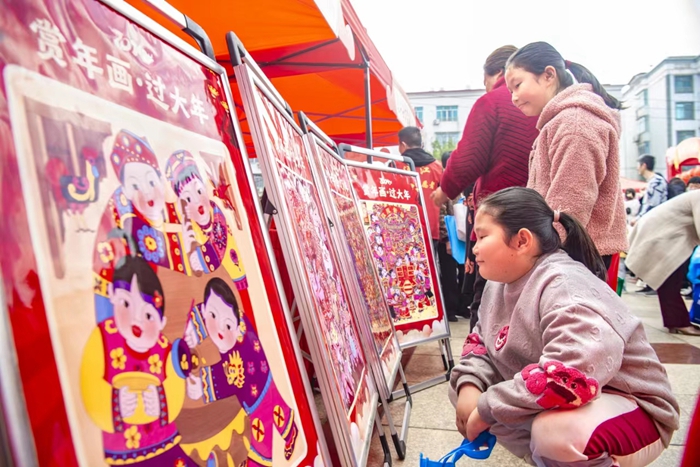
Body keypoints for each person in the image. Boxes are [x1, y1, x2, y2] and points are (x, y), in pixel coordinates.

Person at [450, 187, 679, 467]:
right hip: (577, 403)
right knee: (468, 393)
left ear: (522, 240)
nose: (474, 247)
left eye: (483, 236)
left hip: (635, 410)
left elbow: (570, 375)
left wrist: (488, 409)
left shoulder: (565, 284)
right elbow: (481, 342)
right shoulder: (497, 284)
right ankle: (548, 461)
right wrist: (470, 384)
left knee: (554, 433)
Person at [430, 45, 539, 330]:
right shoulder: (544, 103)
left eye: (486, 81)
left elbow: (468, 158)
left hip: (502, 218)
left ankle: (480, 355)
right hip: (538, 223)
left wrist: (444, 190)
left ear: (501, 73)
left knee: (489, 303)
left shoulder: (495, 101)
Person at [505, 42, 627, 290]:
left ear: (548, 75)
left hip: (576, 254)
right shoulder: (562, 121)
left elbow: (572, 204)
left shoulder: (575, 123)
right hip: (569, 252)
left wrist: (542, 252)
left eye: (517, 85)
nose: (513, 97)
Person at [80, 256, 196, 466]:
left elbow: (175, 383)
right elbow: (90, 383)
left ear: (161, 322)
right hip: (124, 450)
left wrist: (161, 400)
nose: (136, 321)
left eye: (148, 315)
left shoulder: (163, 345)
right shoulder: (103, 337)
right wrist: (116, 402)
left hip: (164, 441)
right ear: (113, 297)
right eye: (126, 303)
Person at [626, 190, 700, 336]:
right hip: (660, 235)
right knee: (670, 280)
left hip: (662, 234)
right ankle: (679, 323)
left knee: (668, 281)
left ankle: (677, 322)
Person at [398, 126, 443, 244]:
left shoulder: (395, 165)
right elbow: (444, 201)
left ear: (403, 144)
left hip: (402, 227)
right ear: (421, 144)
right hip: (431, 228)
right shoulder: (437, 167)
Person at [437, 151, 460, 322]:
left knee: (459, 272)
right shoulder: (443, 183)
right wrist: (446, 238)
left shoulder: (457, 182)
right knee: (449, 273)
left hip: (458, 234)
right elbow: (441, 212)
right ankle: (450, 309)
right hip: (448, 235)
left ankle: (458, 306)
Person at [636, 154, 668, 219]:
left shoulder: (656, 182)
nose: (637, 168)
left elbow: (653, 205)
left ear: (644, 166)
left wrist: (638, 218)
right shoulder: (653, 181)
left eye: (638, 165)